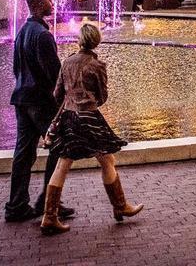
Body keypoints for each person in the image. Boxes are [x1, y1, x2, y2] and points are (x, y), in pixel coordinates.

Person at [39, 22, 142, 235]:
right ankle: (120, 205)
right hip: (89, 117)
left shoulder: (67, 62)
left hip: (68, 117)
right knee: (106, 159)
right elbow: (103, 96)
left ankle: (50, 216)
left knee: (64, 164)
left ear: (80, 40)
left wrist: (70, 103)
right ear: (96, 41)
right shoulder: (97, 66)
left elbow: (56, 94)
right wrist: (90, 102)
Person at [6, 0, 72, 225]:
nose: (52, 3)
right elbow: (55, 75)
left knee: (23, 154)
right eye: (49, 0)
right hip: (40, 102)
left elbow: (16, 68)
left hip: (21, 99)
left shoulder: (22, 31)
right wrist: (62, 100)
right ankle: (49, 201)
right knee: (60, 145)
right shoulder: (43, 35)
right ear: (39, 4)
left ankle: (16, 205)